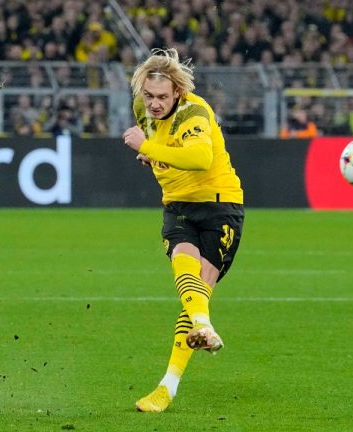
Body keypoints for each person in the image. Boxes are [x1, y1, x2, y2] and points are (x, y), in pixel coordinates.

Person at [121, 48, 245, 413]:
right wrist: (152, 153)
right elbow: (165, 147)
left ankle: (171, 381)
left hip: (219, 205)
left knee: (198, 292)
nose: (154, 104)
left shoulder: (194, 112)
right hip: (177, 205)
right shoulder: (142, 109)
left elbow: (200, 158)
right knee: (182, 261)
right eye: (148, 95)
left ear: (177, 91)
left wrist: (147, 146)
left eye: (162, 96)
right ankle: (174, 377)